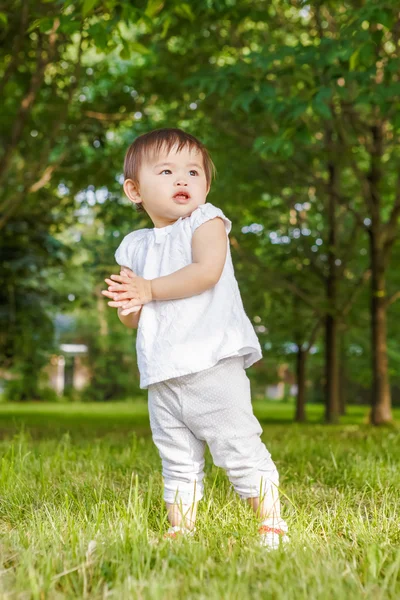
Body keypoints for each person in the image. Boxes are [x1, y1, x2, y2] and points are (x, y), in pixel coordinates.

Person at [102, 128, 289, 549]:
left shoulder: (207, 222)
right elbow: (134, 320)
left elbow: (205, 272)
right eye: (166, 171)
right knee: (177, 456)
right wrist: (129, 305)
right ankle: (181, 526)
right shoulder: (134, 246)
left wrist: (148, 289)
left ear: (206, 185)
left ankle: (271, 521)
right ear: (134, 190)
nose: (182, 180)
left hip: (210, 363)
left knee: (236, 445)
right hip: (162, 372)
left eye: (193, 171)